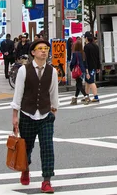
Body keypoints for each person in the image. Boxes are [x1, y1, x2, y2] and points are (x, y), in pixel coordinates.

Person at [11, 39, 58, 194]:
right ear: (33, 52)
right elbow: (18, 93)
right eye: (40, 49)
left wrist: (54, 111)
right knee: (27, 147)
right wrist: (15, 116)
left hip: (45, 114)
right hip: (27, 113)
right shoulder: (24, 70)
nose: (44, 51)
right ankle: (25, 169)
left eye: (46, 48)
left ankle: (47, 180)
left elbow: (53, 93)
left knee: (47, 147)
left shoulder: (52, 71)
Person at [69, 39, 89, 105]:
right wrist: (87, 72)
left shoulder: (75, 53)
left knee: (79, 85)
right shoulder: (83, 53)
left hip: (77, 70)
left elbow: (73, 62)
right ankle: (75, 99)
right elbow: (86, 63)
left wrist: (71, 68)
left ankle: (86, 97)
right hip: (82, 71)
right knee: (78, 84)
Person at [83, 31, 101, 104]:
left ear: (86, 38)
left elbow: (85, 58)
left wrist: (86, 69)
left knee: (91, 81)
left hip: (89, 66)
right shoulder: (96, 46)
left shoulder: (86, 47)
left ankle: (96, 96)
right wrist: (98, 67)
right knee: (87, 82)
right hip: (94, 66)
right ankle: (86, 96)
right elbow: (98, 57)